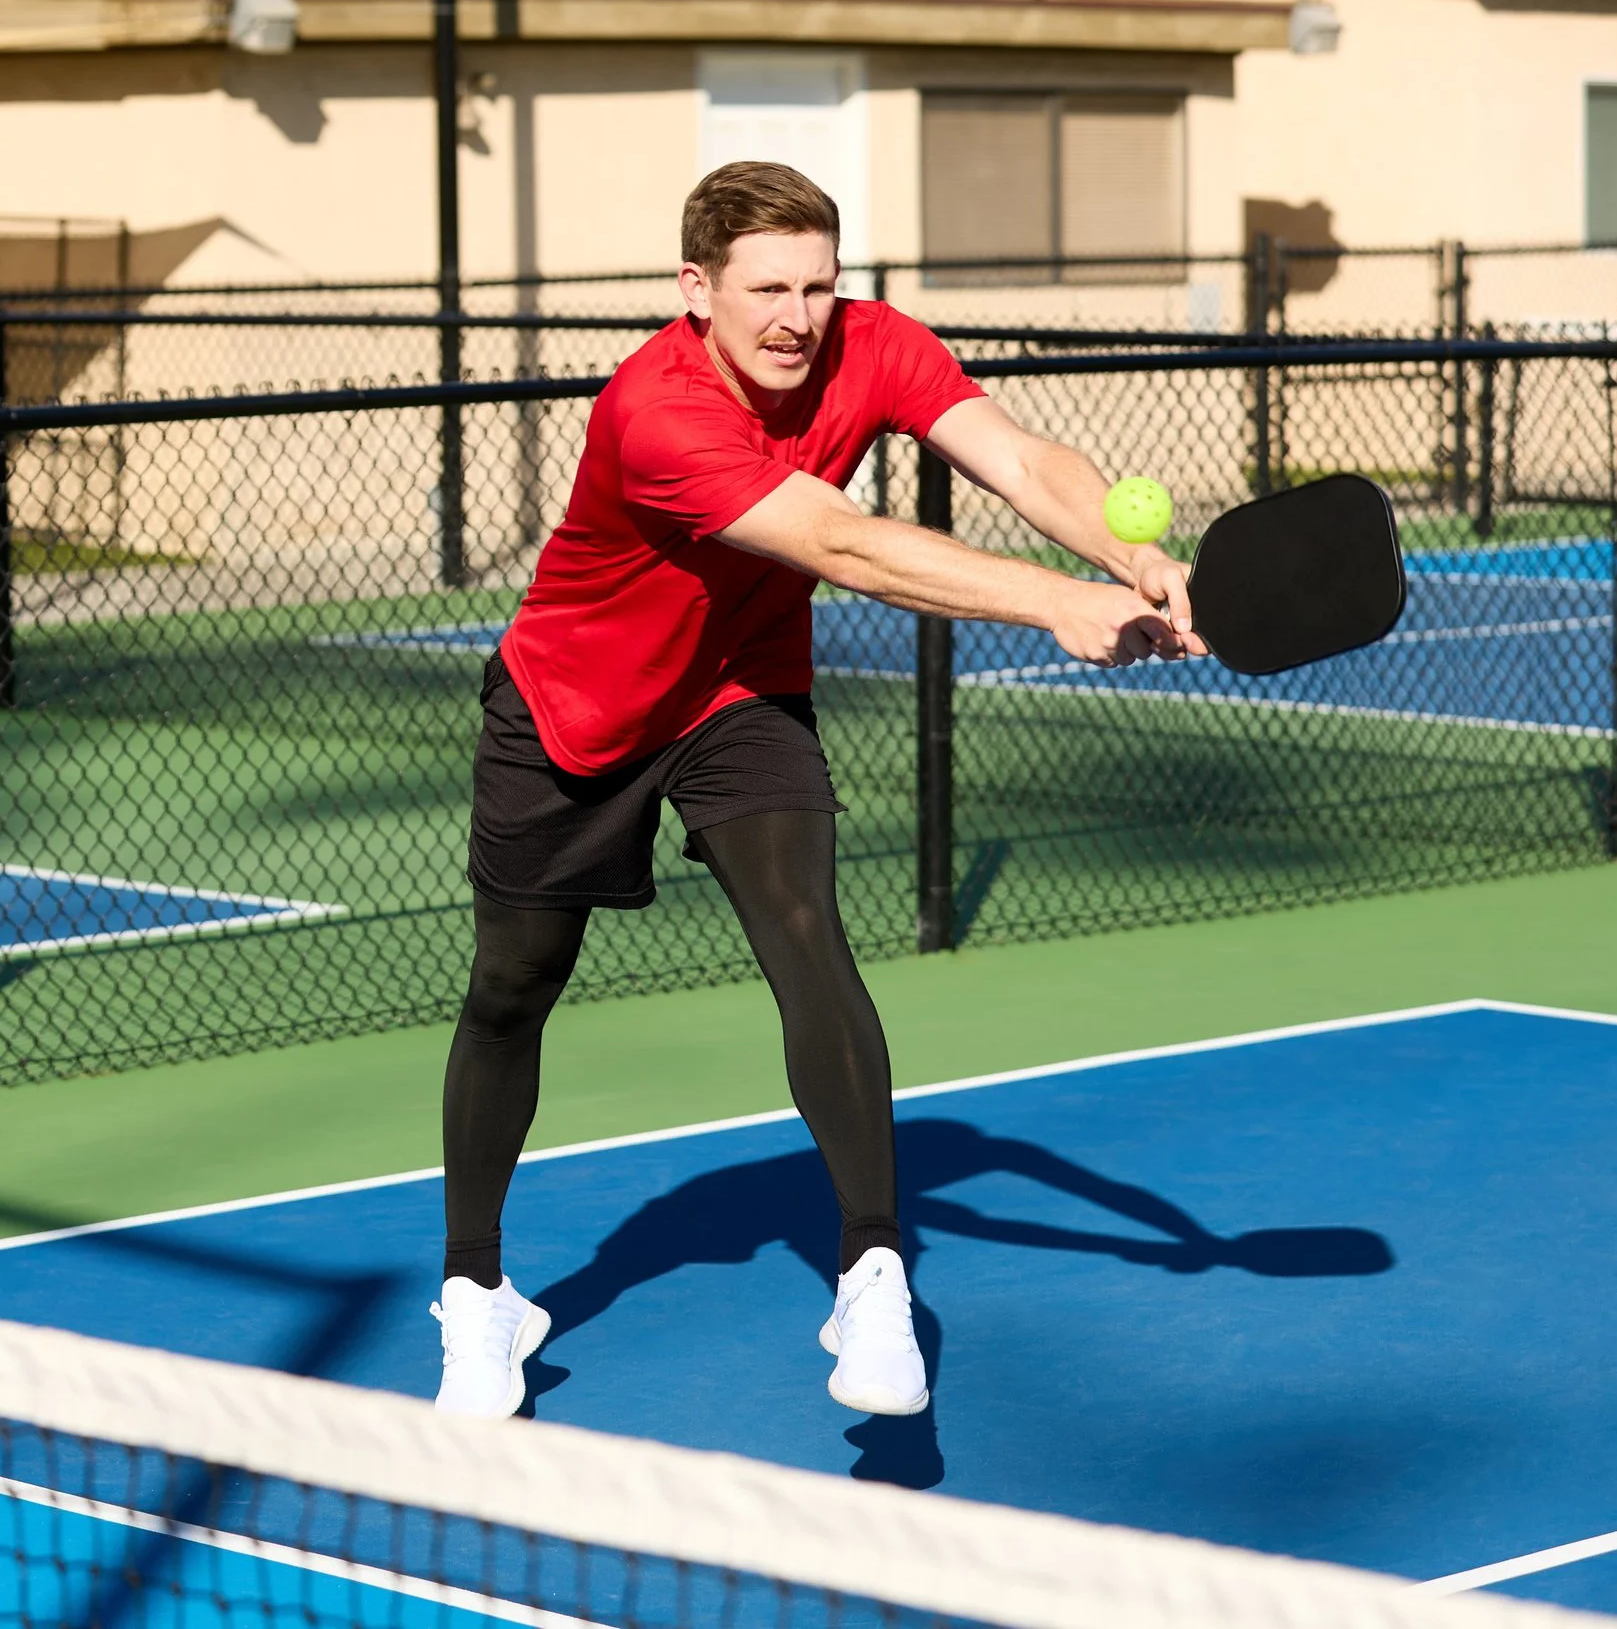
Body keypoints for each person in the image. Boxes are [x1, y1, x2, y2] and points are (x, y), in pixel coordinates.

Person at [428, 160, 1206, 1422]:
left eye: (819, 285)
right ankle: (476, 1291)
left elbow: (1013, 455)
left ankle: (871, 1265)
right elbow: (843, 543)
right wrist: (1059, 600)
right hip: (577, 702)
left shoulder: (872, 345)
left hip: (738, 690)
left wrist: (1128, 551)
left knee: (807, 934)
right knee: (513, 984)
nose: (797, 315)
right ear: (697, 291)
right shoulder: (654, 409)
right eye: (767, 289)